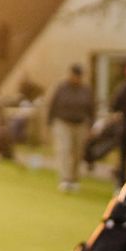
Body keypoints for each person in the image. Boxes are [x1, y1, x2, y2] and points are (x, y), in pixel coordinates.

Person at [46, 63, 96, 192]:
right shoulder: (61, 88)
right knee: (64, 150)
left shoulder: (86, 90)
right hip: (63, 122)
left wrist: (91, 125)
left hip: (80, 124)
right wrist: (49, 122)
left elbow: (91, 109)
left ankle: (74, 178)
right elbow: (52, 105)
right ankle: (65, 179)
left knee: (77, 153)